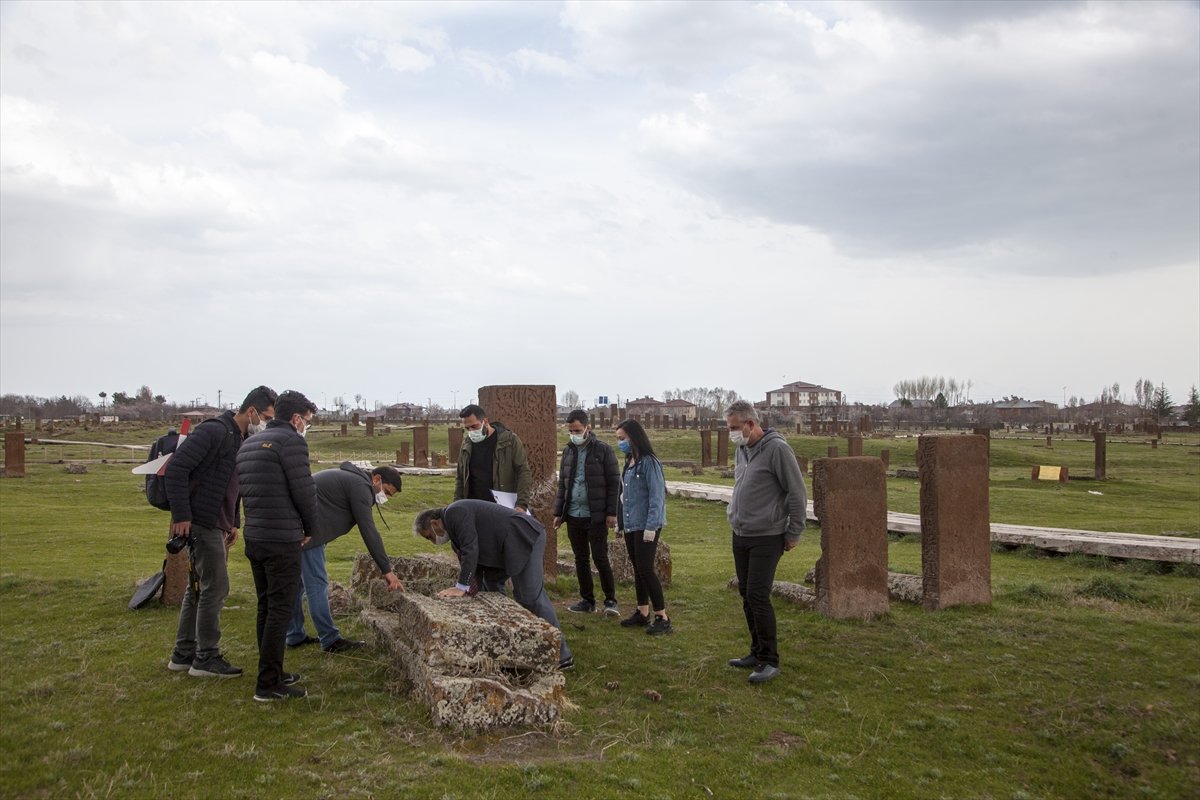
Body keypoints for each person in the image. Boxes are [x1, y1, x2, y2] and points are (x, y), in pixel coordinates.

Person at [165, 386, 276, 679]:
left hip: (217, 521)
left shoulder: (238, 437)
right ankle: (206, 657)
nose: (265, 423)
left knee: (199, 587)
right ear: (251, 411)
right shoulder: (215, 431)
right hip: (202, 520)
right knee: (216, 587)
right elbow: (176, 469)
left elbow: (230, 485)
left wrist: (233, 522)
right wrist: (182, 515)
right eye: (265, 417)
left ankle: (183, 653)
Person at [413, 499, 574, 670]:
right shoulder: (453, 532)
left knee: (530, 597)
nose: (433, 541)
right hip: (504, 546)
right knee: (491, 589)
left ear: (434, 523)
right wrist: (470, 588)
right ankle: (506, 646)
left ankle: (562, 655)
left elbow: (470, 548)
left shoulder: (455, 512)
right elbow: (471, 559)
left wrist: (461, 587)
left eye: (429, 536)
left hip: (524, 536)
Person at [237, 390, 319, 702]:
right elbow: (304, 489)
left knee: (266, 607)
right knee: (280, 610)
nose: (305, 427)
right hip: (281, 537)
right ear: (296, 418)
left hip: (256, 535)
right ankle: (268, 683)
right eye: (306, 421)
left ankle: (271, 670)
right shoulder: (292, 442)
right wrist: (310, 527)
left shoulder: (249, 443)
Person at [724, 400, 807, 685]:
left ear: (751, 424)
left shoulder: (777, 449)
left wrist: (794, 531)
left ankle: (770, 660)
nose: (732, 433)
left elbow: (796, 493)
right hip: (741, 533)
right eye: (729, 428)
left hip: (767, 536)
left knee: (758, 595)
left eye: (735, 428)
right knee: (746, 593)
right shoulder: (742, 449)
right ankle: (756, 652)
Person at [287, 463, 405, 653]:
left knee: (297, 584)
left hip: (301, 528)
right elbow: (369, 531)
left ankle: (294, 634)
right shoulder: (361, 487)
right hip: (307, 534)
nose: (385, 498)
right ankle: (330, 639)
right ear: (376, 479)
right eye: (386, 492)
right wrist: (387, 570)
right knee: (317, 585)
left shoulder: (354, 481)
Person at [552, 410, 620, 615]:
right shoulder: (568, 451)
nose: (574, 434)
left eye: (577, 430)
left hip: (596, 514)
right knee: (580, 558)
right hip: (573, 514)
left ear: (588, 428)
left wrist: (611, 512)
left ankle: (610, 601)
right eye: (571, 431)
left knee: (600, 558)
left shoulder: (604, 450)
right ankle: (587, 600)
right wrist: (558, 512)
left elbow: (614, 484)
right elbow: (563, 485)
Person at [614, 419, 672, 635]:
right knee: (638, 568)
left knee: (646, 569)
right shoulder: (629, 462)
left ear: (634, 437)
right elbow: (623, 496)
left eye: (622, 439)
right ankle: (642, 611)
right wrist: (620, 522)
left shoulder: (649, 462)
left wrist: (651, 526)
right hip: (631, 523)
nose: (620, 443)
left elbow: (657, 497)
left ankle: (662, 616)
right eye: (618, 439)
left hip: (647, 524)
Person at [454, 404, 533, 512]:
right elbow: (460, 478)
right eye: (467, 428)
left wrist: (522, 504)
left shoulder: (510, 441)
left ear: (485, 421)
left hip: (501, 508)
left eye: (474, 426)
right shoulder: (466, 445)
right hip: (473, 507)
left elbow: (523, 472)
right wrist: (456, 505)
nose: (471, 431)